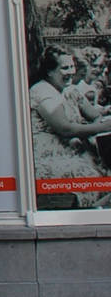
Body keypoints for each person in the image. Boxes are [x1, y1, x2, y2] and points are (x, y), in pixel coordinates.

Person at [29, 47, 111, 205]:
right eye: (65, 68)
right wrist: (102, 128)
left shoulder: (71, 90)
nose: (71, 72)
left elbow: (95, 116)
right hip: (53, 157)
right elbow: (65, 129)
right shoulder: (41, 91)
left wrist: (94, 132)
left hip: (78, 152)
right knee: (91, 178)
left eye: (72, 66)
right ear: (49, 71)